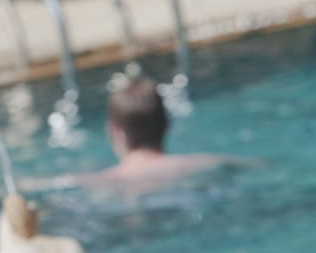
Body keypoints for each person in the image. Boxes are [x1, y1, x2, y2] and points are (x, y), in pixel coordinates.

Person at [23, 76, 238, 193]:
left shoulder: (94, 182)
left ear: (114, 131)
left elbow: (36, 187)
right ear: (166, 124)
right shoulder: (208, 163)